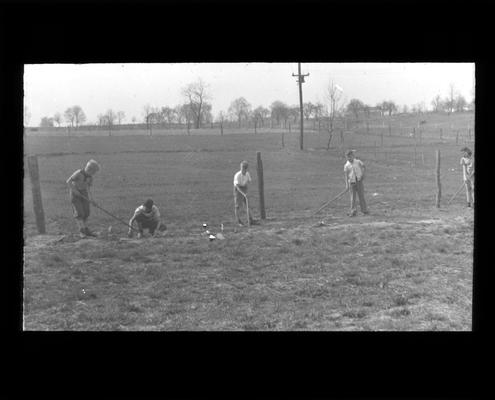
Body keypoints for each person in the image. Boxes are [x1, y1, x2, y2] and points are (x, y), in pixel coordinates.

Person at [66, 159, 100, 237]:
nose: (94, 174)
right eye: (94, 172)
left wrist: (92, 199)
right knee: (79, 212)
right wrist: (75, 191)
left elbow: (88, 188)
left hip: (84, 193)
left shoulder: (90, 178)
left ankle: (85, 228)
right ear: (89, 169)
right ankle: (82, 230)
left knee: (86, 212)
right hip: (75, 194)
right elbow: (68, 182)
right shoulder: (78, 173)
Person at [344, 150, 369, 217]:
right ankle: (353, 211)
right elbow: (346, 176)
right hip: (352, 183)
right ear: (346, 157)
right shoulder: (346, 165)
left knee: (361, 196)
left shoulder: (358, 162)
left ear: (353, 156)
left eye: (350, 157)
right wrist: (347, 185)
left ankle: (364, 210)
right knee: (353, 198)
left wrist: (363, 174)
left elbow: (364, 167)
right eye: (348, 157)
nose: (349, 158)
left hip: (359, 181)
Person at [233, 160, 255, 226]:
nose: (244, 170)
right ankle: (239, 221)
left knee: (247, 204)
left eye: (245, 168)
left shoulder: (247, 174)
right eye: (243, 168)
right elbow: (237, 186)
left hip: (244, 188)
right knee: (238, 206)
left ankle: (251, 220)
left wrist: (246, 191)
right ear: (241, 168)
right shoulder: (237, 175)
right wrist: (243, 194)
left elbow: (249, 181)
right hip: (238, 190)